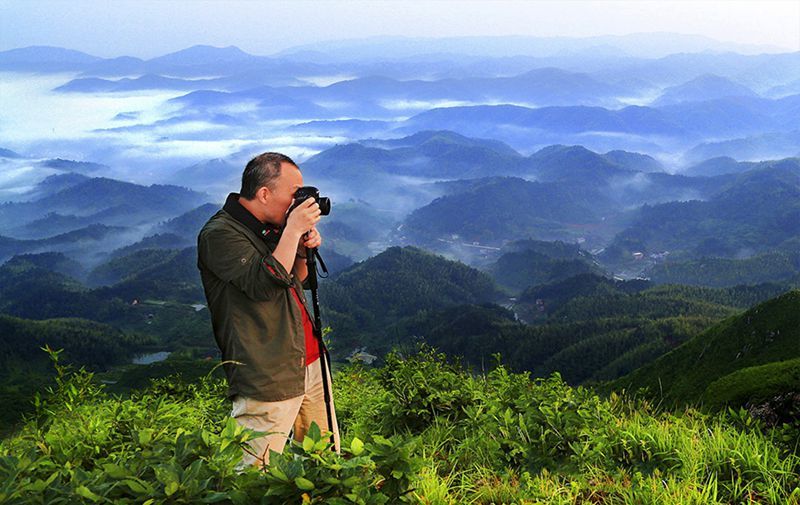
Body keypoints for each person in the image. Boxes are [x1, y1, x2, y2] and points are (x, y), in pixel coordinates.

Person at [197, 152, 339, 468]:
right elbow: (263, 284)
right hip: (267, 372)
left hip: (309, 359)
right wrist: (291, 231)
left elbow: (295, 280)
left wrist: (301, 249)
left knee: (323, 465)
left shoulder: (270, 227)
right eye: (293, 195)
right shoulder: (221, 234)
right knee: (251, 474)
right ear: (264, 193)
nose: (297, 204)